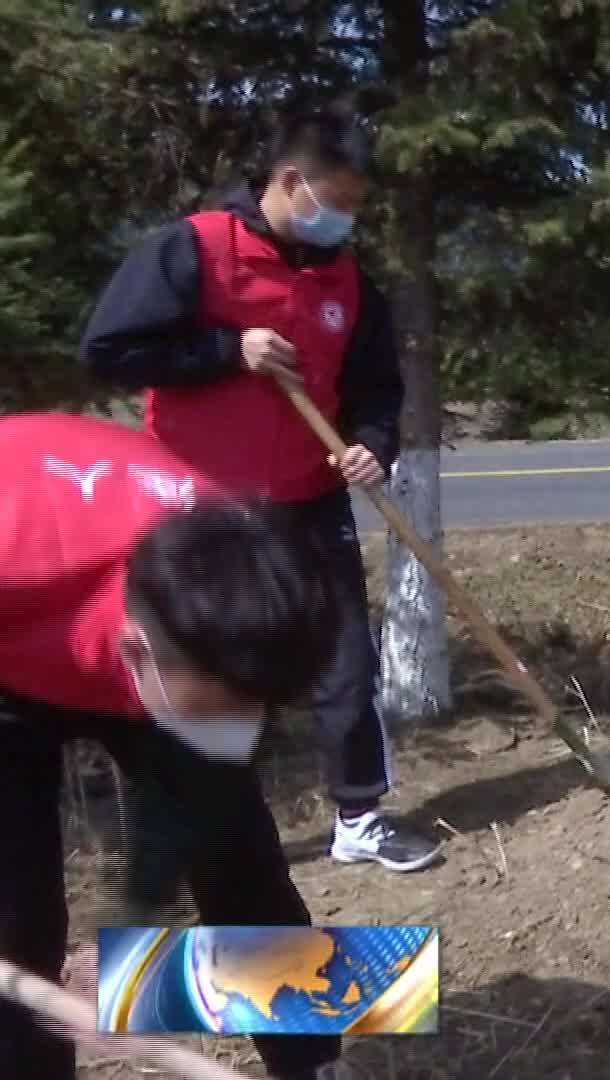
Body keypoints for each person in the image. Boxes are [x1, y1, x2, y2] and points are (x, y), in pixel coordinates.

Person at [79, 107, 440, 874]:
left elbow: (376, 386)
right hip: (199, 505)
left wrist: (374, 447)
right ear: (290, 180)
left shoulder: (346, 279)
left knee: (345, 653)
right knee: (203, 664)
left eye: (354, 206)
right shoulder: (196, 249)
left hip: (309, 497)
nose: (345, 219)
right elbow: (108, 348)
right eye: (337, 201)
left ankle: (359, 816)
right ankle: (195, 832)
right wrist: (225, 348)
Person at [0, 413, 348, 1080]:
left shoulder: (245, 593)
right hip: (12, 651)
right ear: (135, 652)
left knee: (244, 869)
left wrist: (136, 930)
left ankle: (314, 1065)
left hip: (163, 651)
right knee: (13, 913)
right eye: (221, 712)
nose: (239, 733)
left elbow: (199, 798)